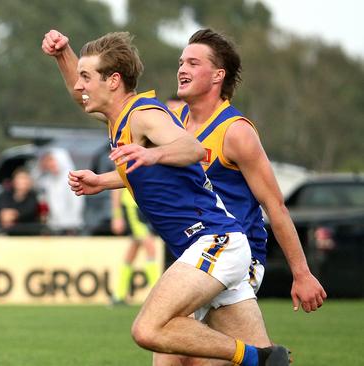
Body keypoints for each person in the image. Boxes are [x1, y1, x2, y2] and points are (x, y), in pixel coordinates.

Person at [42, 29, 291, 365]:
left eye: (86, 77)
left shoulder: (143, 114)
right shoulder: (119, 121)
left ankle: (256, 358)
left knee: (148, 329)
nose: (79, 86)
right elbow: (82, 96)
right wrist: (63, 55)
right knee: (170, 358)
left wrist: (152, 155)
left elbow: (191, 148)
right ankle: (262, 358)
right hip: (209, 248)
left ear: (114, 81)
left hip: (215, 242)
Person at [150, 28, 327, 365]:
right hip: (199, 255)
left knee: (166, 341)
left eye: (193, 62)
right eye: (180, 61)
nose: (181, 69)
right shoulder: (177, 124)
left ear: (219, 75)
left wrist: (301, 274)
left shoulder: (236, 132)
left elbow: (275, 206)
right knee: (175, 351)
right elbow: (105, 108)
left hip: (236, 258)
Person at [109, 187, 161, 305]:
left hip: (142, 205)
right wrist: (117, 216)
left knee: (133, 249)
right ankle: (158, 295)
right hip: (132, 206)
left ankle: (119, 295)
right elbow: (115, 188)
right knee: (150, 247)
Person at [33, 147, 85, 235]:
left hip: (70, 227)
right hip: (53, 227)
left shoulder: (71, 179)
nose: (51, 164)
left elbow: (77, 204)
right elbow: (33, 183)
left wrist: (72, 225)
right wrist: (40, 168)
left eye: (53, 161)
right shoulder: (47, 180)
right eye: (48, 162)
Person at [0, 167, 41, 235]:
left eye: (25, 178)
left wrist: (13, 215)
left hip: (30, 236)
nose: (23, 181)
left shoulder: (34, 196)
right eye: (21, 178)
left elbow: (28, 211)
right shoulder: (5, 195)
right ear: (14, 181)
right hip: (10, 236)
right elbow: (2, 210)